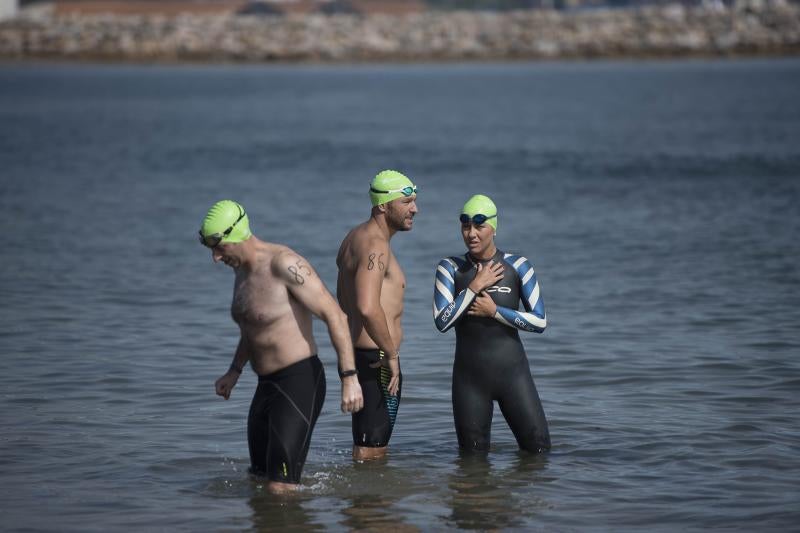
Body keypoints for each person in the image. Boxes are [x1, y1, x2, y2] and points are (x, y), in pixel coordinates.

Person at [199, 200, 363, 493]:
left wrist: (349, 378)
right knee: (259, 480)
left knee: (280, 489)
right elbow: (254, 327)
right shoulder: (241, 273)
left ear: (236, 234)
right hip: (265, 385)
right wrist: (234, 371)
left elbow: (334, 315)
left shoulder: (284, 264)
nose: (215, 257)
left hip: (299, 382)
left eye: (219, 247)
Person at [433, 194, 550, 453]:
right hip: (469, 382)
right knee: (471, 465)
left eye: (479, 225)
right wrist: (474, 286)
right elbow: (442, 321)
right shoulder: (450, 268)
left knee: (539, 453)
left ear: (493, 228)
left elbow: (540, 321)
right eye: (465, 226)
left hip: (514, 377)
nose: (471, 233)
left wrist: (494, 311)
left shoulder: (519, 266)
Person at [336, 170, 418, 461]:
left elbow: (343, 302)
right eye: (407, 201)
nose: (415, 209)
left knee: (364, 450)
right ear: (383, 205)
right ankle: (369, 506)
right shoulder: (375, 245)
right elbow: (367, 307)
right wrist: (392, 355)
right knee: (373, 455)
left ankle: (360, 503)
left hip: (360, 358)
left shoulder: (353, 237)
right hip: (378, 363)